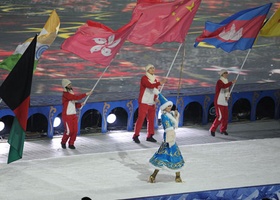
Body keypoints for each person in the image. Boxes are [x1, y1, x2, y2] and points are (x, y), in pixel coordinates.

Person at [148, 93, 185, 183]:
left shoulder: (169, 114)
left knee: (173, 154)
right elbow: (168, 127)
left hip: (171, 136)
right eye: (168, 106)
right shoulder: (164, 116)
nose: (169, 108)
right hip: (168, 137)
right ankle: (154, 175)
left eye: (170, 106)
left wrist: (176, 115)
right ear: (164, 108)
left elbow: (174, 118)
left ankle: (176, 175)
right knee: (166, 155)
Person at [132, 64, 167, 144]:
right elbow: (149, 86)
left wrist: (156, 98)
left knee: (151, 119)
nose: (152, 70)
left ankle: (150, 135)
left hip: (152, 102)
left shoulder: (154, 79)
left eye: (153, 68)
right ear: (147, 70)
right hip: (144, 102)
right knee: (141, 118)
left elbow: (154, 89)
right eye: (150, 68)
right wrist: (160, 83)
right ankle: (136, 135)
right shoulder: (144, 78)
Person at [60, 79, 92, 149]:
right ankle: (63, 142)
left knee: (75, 131)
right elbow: (75, 98)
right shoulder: (66, 94)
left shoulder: (71, 93)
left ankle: (71, 143)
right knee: (69, 131)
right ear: (65, 86)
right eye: (68, 84)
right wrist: (86, 94)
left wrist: (80, 104)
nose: (70, 85)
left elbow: (73, 104)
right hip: (67, 115)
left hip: (73, 115)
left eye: (70, 84)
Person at [210, 69, 237, 137]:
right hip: (219, 101)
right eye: (225, 73)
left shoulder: (226, 81)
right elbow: (223, 86)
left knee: (225, 117)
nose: (226, 74)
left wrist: (227, 95)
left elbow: (226, 90)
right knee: (220, 117)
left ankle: (223, 129)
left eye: (227, 73)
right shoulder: (219, 81)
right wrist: (231, 82)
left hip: (224, 101)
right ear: (222, 74)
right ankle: (212, 129)